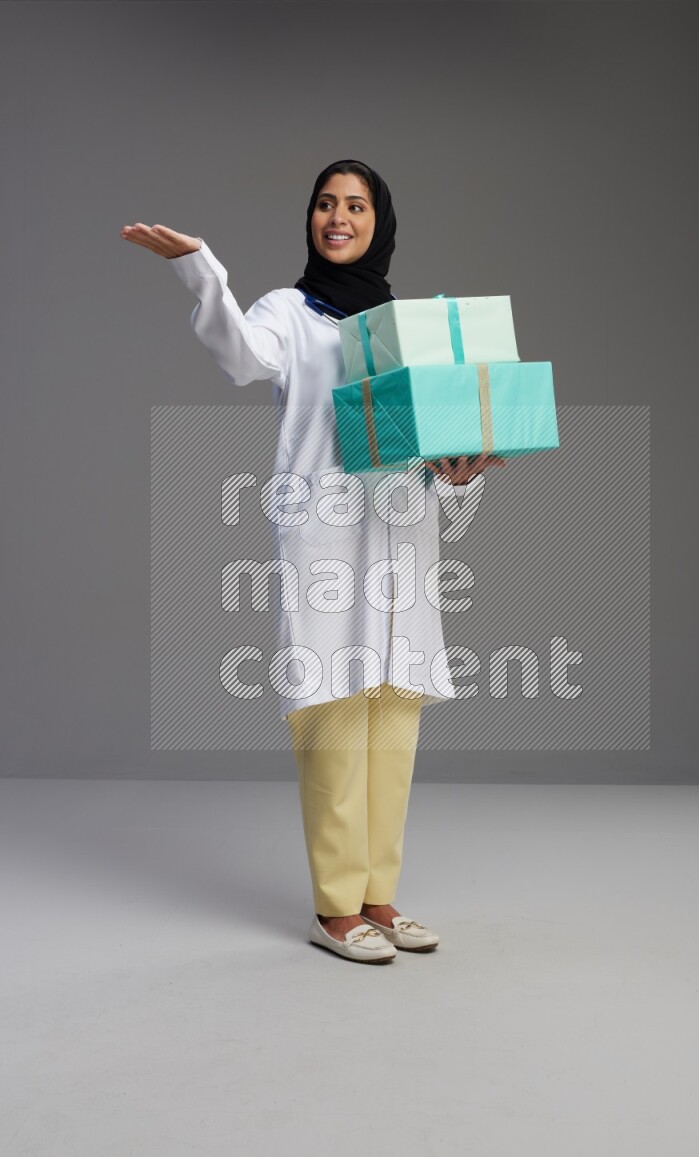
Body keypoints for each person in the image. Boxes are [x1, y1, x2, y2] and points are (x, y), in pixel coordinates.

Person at [120, 159, 505, 964]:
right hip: (327, 543)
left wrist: (459, 481)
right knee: (332, 719)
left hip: (402, 540)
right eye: (326, 204)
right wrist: (202, 271)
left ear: (381, 221)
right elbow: (242, 356)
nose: (339, 217)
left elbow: (433, 451)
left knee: (393, 722)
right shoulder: (287, 313)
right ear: (311, 218)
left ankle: (379, 896)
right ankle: (334, 908)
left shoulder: (411, 329)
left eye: (356, 205)